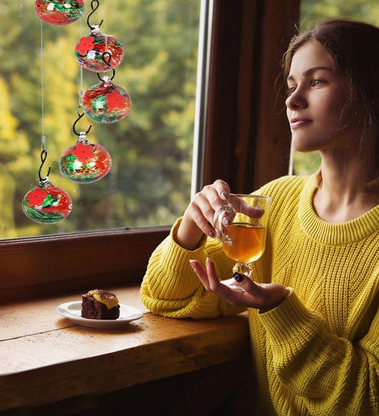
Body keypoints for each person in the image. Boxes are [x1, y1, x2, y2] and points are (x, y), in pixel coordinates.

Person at [140, 18, 379, 416]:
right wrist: (189, 230)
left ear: (371, 91)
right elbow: (164, 298)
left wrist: (280, 309)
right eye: (291, 85)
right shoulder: (274, 202)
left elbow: (368, 399)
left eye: (316, 81)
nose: (292, 100)